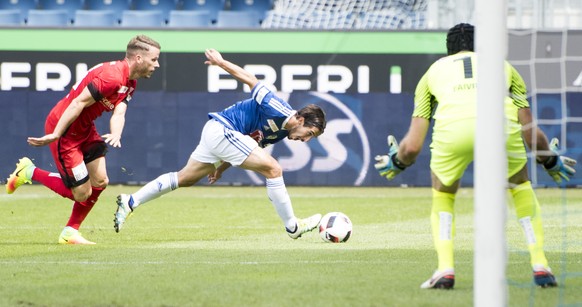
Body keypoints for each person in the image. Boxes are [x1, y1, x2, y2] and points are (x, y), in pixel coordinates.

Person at [374, 23, 576, 289]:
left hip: (453, 132)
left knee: (444, 194)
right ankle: (541, 265)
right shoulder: (504, 67)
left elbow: (411, 146)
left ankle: (445, 270)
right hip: (499, 127)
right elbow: (529, 132)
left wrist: (398, 162)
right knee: (520, 186)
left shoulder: (433, 72)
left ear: (448, 51)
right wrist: (549, 159)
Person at [113, 48, 326, 240]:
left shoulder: (282, 132)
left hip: (218, 134)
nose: (306, 140)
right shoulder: (278, 108)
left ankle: (131, 201)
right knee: (274, 169)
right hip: (223, 130)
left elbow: (248, 145)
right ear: (301, 120)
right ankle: (293, 226)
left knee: (184, 178)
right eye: (309, 133)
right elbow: (251, 80)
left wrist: (221, 168)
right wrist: (221, 63)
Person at [5, 35, 162, 245]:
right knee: (81, 193)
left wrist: (116, 133)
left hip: (85, 129)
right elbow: (78, 103)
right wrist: (56, 134)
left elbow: (119, 112)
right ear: (138, 58)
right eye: (154, 59)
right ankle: (29, 172)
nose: (157, 64)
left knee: (100, 181)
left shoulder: (130, 81)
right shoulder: (112, 76)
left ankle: (70, 232)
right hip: (65, 130)